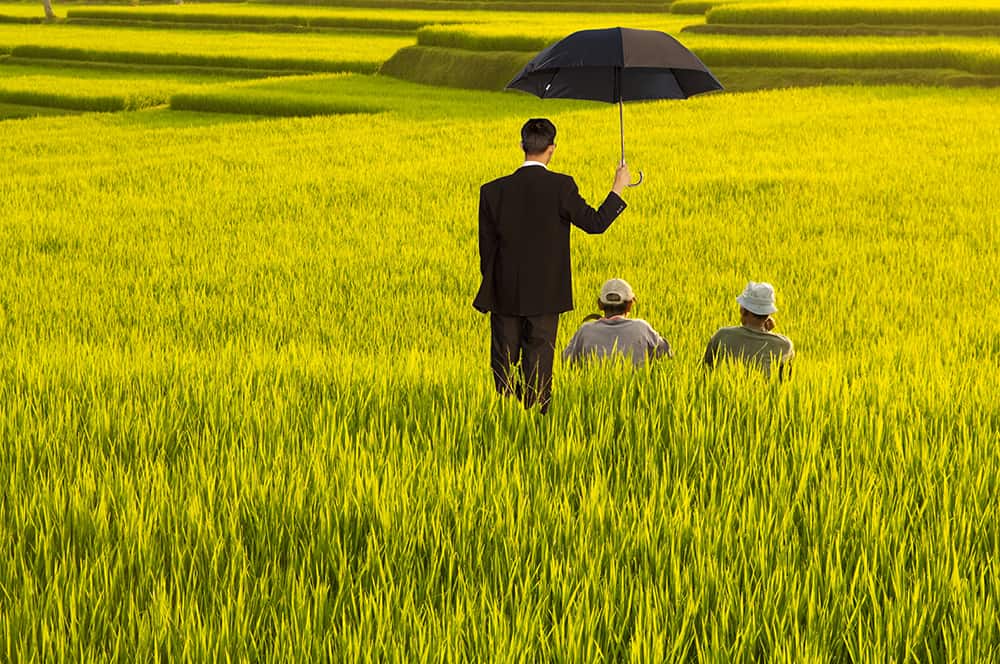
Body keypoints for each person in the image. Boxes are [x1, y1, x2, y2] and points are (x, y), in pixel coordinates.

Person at [473, 118, 632, 414]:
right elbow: (595, 224)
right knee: (539, 368)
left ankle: (506, 424)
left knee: (503, 368)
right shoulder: (561, 186)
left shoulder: (492, 191)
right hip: (546, 295)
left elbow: (487, 250)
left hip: (503, 293)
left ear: (521, 146)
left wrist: (497, 285)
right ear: (552, 149)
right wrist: (618, 187)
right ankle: (536, 425)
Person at [562, 278, 672, 367]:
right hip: (636, 391)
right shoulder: (642, 327)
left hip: (594, 393)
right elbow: (667, 354)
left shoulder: (585, 330)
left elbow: (566, 360)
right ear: (630, 305)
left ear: (599, 304)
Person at [703, 281, 794, 379]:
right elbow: (784, 381)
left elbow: (705, 370)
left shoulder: (722, 335)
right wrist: (768, 332)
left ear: (743, 311)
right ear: (768, 314)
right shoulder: (785, 345)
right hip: (763, 393)